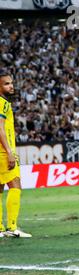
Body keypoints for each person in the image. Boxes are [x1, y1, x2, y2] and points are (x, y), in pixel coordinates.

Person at [0, 70, 31, 238]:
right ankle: (12, 227)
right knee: (15, 186)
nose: (11, 86)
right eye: (6, 83)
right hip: (4, 152)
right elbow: (0, 129)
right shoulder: (3, 102)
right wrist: (10, 152)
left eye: (11, 82)